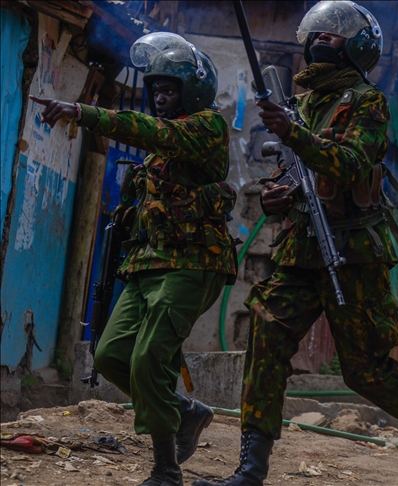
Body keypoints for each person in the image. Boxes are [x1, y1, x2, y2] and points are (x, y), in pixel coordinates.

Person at [193, 3, 398, 486]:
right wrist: (276, 196)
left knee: (364, 370)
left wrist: (296, 134)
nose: (320, 44)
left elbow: (349, 163)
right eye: (317, 36)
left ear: (357, 48)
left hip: (354, 251)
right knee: (266, 339)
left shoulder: (368, 103)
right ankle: (249, 472)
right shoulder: (304, 104)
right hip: (300, 247)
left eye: (333, 38)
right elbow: (295, 175)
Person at [31, 33, 235, 486]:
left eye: (169, 91)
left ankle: (165, 469)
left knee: (148, 360)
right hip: (146, 267)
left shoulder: (206, 127)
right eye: (155, 91)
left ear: (192, 91)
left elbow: (149, 130)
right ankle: (186, 411)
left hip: (192, 265)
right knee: (112, 355)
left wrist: (83, 112)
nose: (160, 100)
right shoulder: (158, 157)